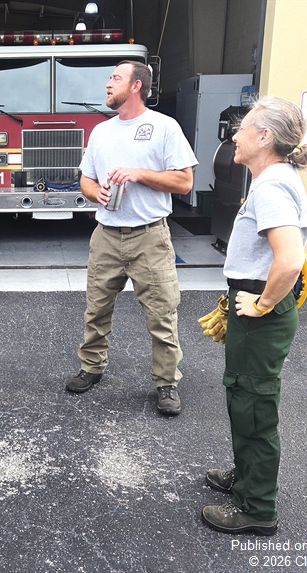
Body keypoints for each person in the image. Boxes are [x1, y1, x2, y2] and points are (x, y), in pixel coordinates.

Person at [201, 96, 307, 536]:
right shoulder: (275, 179)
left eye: (242, 127)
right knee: (243, 399)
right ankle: (245, 478)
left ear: (264, 137)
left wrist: (262, 303)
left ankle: (256, 508)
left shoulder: (271, 186)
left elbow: (288, 261)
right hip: (254, 305)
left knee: (253, 407)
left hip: (260, 310)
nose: (234, 135)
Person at [65, 60, 197, 417]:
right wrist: (97, 195)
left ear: (136, 86)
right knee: (96, 309)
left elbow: (184, 182)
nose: (108, 84)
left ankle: (166, 382)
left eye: (115, 78)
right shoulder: (101, 132)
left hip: (150, 237)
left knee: (161, 314)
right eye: (109, 78)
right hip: (106, 235)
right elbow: (86, 180)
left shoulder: (164, 127)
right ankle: (91, 367)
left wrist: (139, 174)